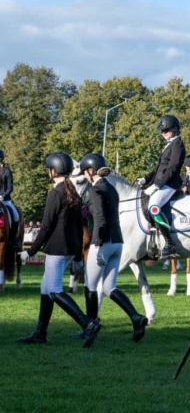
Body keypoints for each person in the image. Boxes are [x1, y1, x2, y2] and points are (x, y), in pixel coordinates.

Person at [18, 152, 101, 347]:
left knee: (54, 290)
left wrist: (29, 252)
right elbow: (80, 227)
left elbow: (46, 227)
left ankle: (88, 323)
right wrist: (79, 255)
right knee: (45, 288)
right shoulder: (73, 192)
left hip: (58, 249)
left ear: (53, 171)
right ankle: (40, 333)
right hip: (70, 248)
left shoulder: (56, 193)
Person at [79, 153, 148, 341]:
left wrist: (98, 245)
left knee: (90, 286)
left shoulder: (95, 190)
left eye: (85, 173)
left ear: (91, 171)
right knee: (109, 287)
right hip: (118, 242)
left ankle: (91, 327)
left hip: (103, 242)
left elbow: (100, 220)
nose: (85, 177)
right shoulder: (111, 188)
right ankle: (136, 317)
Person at [133, 115, 186, 259]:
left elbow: (173, 168)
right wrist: (145, 179)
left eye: (166, 130)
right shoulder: (167, 145)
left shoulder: (178, 144)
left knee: (153, 207)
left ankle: (170, 243)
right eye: (162, 131)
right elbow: (157, 169)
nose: (163, 133)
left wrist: (157, 185)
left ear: (175, 129)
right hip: (161, 183)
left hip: (170, 184)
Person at [0, 149, 21, 249]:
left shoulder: (7, 171)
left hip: (5, 200)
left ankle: (14, 238)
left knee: (16, 215)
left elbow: (10, 187)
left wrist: (3, 196)